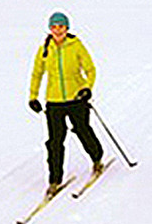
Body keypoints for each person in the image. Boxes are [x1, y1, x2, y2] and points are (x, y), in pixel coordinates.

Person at [27, 11, 103, 197]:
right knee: (54, 142)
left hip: (76, 99)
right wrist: (33, 97)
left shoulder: (76, 46)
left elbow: (90, 69)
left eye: (61, 26)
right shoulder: (45, 48)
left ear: (67, 28)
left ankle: (97, 158)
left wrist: (86, 88)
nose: (57, 30)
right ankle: (55, 180)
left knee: (82, 131)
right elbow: (37, 73)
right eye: (54, 27)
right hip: (54, 102)